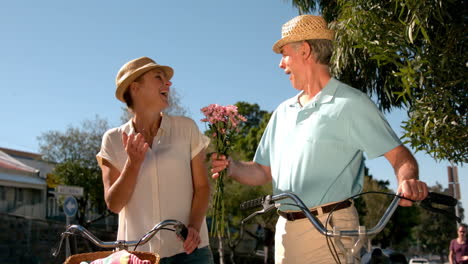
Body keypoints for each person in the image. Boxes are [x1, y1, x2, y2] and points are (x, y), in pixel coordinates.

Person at [210, 15, 429, 264]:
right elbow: (262, 171)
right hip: (284, 231)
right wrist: (231, 167)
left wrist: (408, 180)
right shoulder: (282, 112)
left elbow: (401, 157)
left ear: (304, 50)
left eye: (284, 54)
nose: (281, 64)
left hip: (331, 230)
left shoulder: (350, 103)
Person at [96, 56, 214, 264]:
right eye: (158, 77)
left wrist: (194, 227)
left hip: (191, 253)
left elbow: (203, 187)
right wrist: (133, 164)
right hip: (137, 257)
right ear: (135, 87)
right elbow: (114, 204)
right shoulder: (113, 140)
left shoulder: (186, 129)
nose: (168, 83)